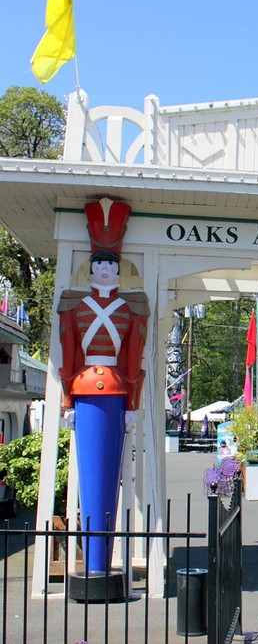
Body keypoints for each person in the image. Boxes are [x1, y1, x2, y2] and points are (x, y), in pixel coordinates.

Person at [58, 199, 149, 574]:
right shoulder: (72, 305)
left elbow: (133, 360)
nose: (106, 269)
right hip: (84, 390)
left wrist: (132, 404)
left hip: (114, 389)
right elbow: (68, 355)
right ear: (92, 267)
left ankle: (101, 563)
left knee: (108, 480)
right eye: (100, 263)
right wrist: (66, 401)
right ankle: (94, 563)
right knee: (94, 480)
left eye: (111, 264)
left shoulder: (132, 308)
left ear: (117, 268)